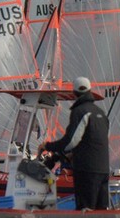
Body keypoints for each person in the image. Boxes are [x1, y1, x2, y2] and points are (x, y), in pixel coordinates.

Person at [38, 77, 110, 210]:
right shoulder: (101, 113)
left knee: (86, 209)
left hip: (87, 170)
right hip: (104, 169)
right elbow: (94, 139)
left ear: (74, 93)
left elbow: (70, 142)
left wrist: (47, 146)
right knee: (101, 210)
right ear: (90, 90)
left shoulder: (80, 111)